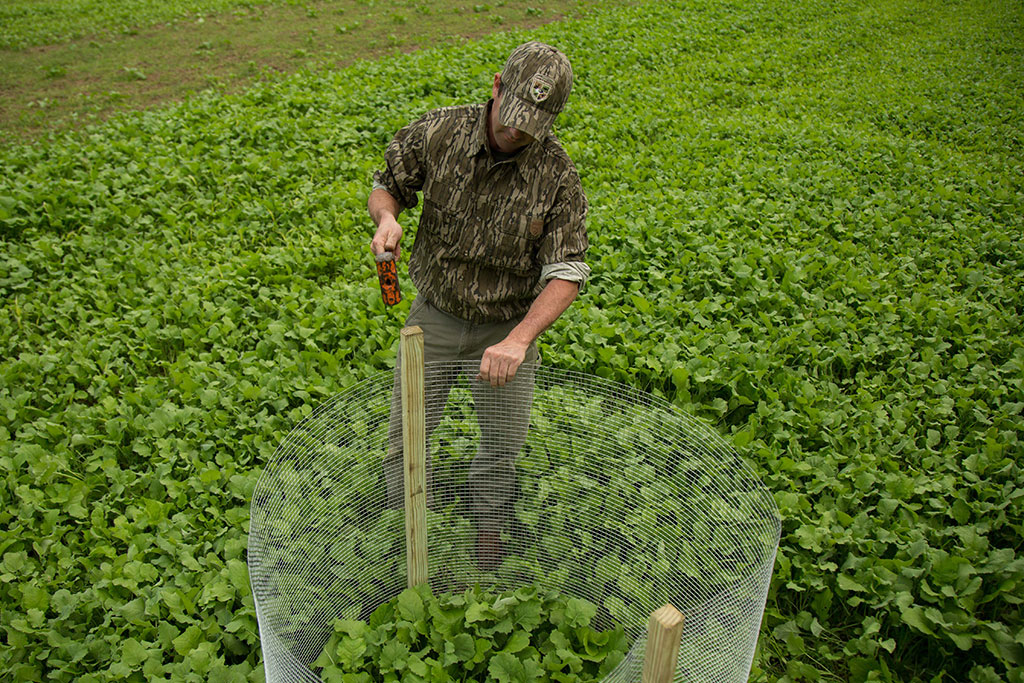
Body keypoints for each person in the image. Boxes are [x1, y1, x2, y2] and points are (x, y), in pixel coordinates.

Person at [368, 41, 590, 570]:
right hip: (436, 316)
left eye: (532, 124)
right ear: (496, 86)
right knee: (410, 431)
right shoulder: (440, 132)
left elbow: (567, 272)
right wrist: (387, 218)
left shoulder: (557, 174)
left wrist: (518, 340)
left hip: (508, 324)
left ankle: (487, 532)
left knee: (502, 443)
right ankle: (399, 529)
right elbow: (387, 185)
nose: (516, 131)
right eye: (511, 114)